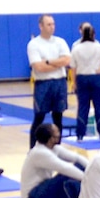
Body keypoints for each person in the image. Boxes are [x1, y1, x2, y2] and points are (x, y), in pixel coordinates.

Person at [27, 14, 73, 149]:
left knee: (58, 116)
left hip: (59, 82)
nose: (52, 27)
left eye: (53, 24)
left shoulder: (60, 42)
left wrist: (48, 61)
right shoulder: (34, 44)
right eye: (49, 24)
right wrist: (57, 63)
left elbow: (67, 60)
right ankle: (32, 149)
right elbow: (38, 67)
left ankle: (56, 147)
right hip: (43, 83)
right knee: (39, 117)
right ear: (41, 26)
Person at [20, 122, 87, 198]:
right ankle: (91, 195)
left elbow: (77, 158)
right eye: (57, 133)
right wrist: (88, 179)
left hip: (43, 192)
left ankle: (87, 195)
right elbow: (65, 168)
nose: (59, 134)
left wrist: (93, 170)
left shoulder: (53, 148)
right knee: (66, 175)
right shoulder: (39, 153)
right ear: (51, 138)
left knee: (79, 167)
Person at [71, 22, 100, 143]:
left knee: (82, 107)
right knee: (99, 106)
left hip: (82, 78)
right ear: (93, 34)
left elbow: (73, 68)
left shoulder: (76, 48)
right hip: (96, 78)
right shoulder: (98, 46)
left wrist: (74, 83)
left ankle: (80, 134)